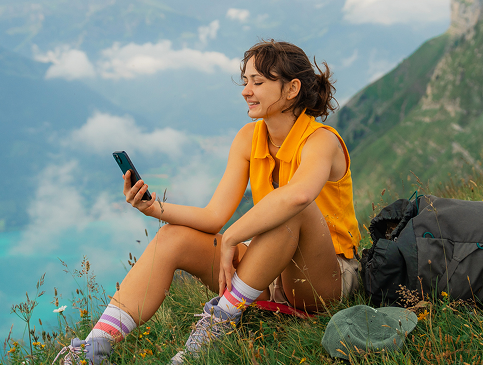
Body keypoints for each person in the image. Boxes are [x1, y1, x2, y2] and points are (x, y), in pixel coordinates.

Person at [56, 40, 362, 365]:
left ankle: (218, 324)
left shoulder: (321, 141)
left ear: (292, 88)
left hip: (324, 278)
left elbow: (299, 196)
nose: (246, 90)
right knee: (172, 237)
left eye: (258, 82)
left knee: (290, 209)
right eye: (245, 81)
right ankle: (92, 350)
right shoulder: (249, 138)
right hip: (267, 268)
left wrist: (232, 237)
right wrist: (155, 208)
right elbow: (214, 215)